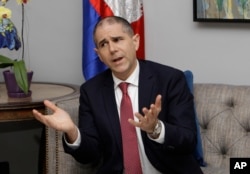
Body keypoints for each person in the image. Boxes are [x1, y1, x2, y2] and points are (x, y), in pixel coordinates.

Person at [33, 16, 203, 174]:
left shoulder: (170, 79)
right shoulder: (91, 91)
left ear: (135, 42)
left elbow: (188, 140)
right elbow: (90, 156)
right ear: (99, 54)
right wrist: (72, 132)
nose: (112, 49)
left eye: (117, 40)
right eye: (103, 44)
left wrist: (155, 129)